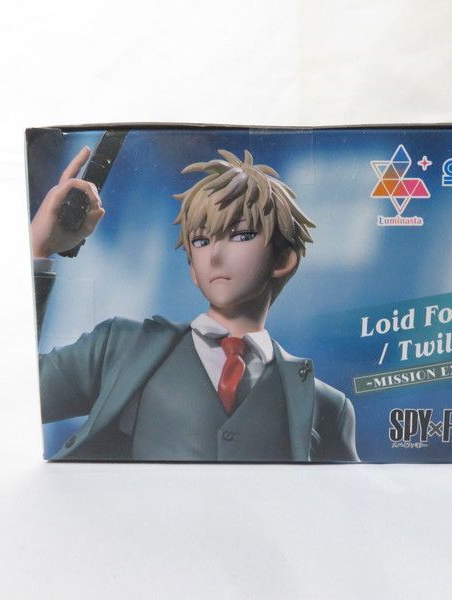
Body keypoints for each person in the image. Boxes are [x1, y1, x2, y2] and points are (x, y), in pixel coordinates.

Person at [31, 146, 359, 462]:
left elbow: (348, 494)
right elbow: (21, 393)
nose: (215, 255)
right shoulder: (119, 348)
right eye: (201, 241)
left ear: (283, 259)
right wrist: (39, 248)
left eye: (241, 235)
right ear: (192, 269)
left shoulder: (326, 406)